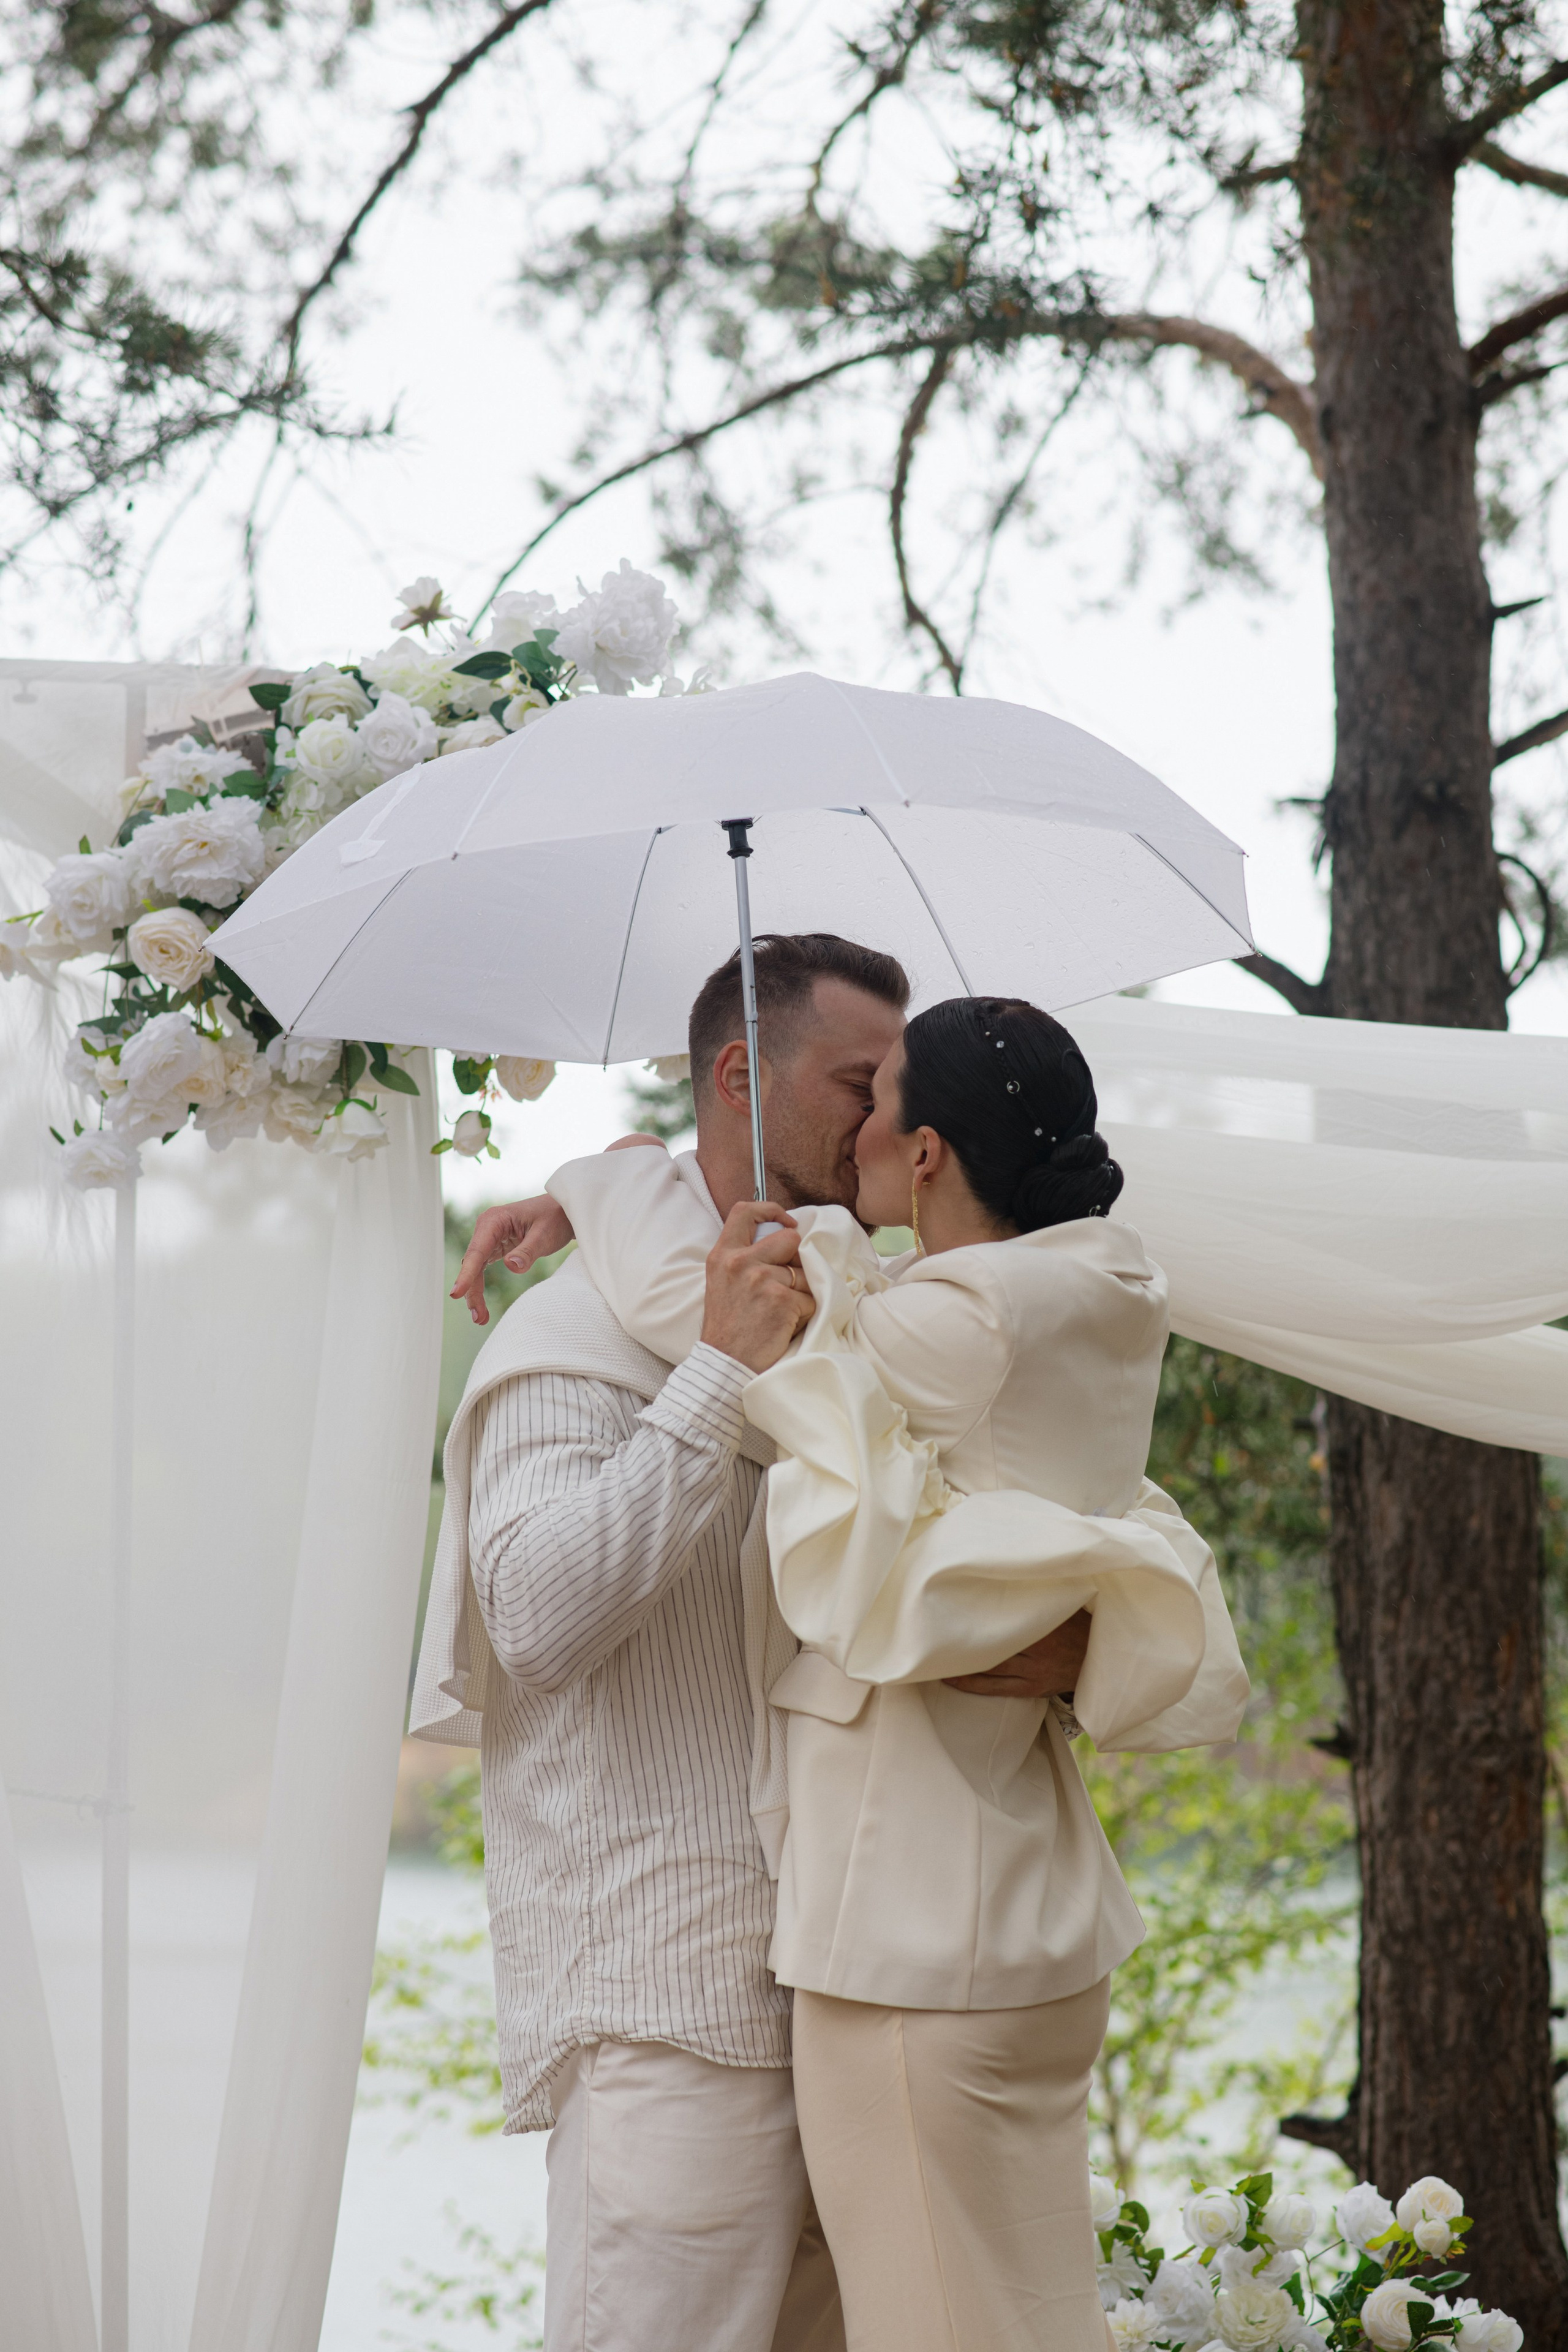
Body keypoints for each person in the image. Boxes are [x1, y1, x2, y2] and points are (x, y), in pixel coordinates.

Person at [456, 987, 1248, 2352]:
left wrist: (1080, 1645)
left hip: (891, 1959)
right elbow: (531, 1616)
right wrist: (690, 1339)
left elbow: (1104, 1536)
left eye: (894, 1082)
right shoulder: (572, 1343)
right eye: (852, 1075)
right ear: (733, 1075)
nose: (877, 1110)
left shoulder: (921, 1315)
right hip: (680, 2000)